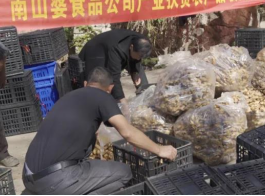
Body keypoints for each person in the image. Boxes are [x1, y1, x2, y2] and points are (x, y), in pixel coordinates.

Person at [23, 67, 177, 195]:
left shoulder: (68, 97)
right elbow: (128, 132)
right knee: (124, 172)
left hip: (29, 175)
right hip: (55, 181)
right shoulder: (103, 96)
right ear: (109, 89)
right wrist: (160, 149)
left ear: (85, 83)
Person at [79, 29, 151, 104]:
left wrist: (134, 71)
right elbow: (114, 75)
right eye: (138, 56)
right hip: (96, 51)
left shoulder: (143, 41)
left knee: (140, 76)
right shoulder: (117, 48)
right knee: (101, 81)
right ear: (131, 47)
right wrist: (122, 99)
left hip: (113, 46)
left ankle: (146, 99)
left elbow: (136, 59)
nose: (139, 59)